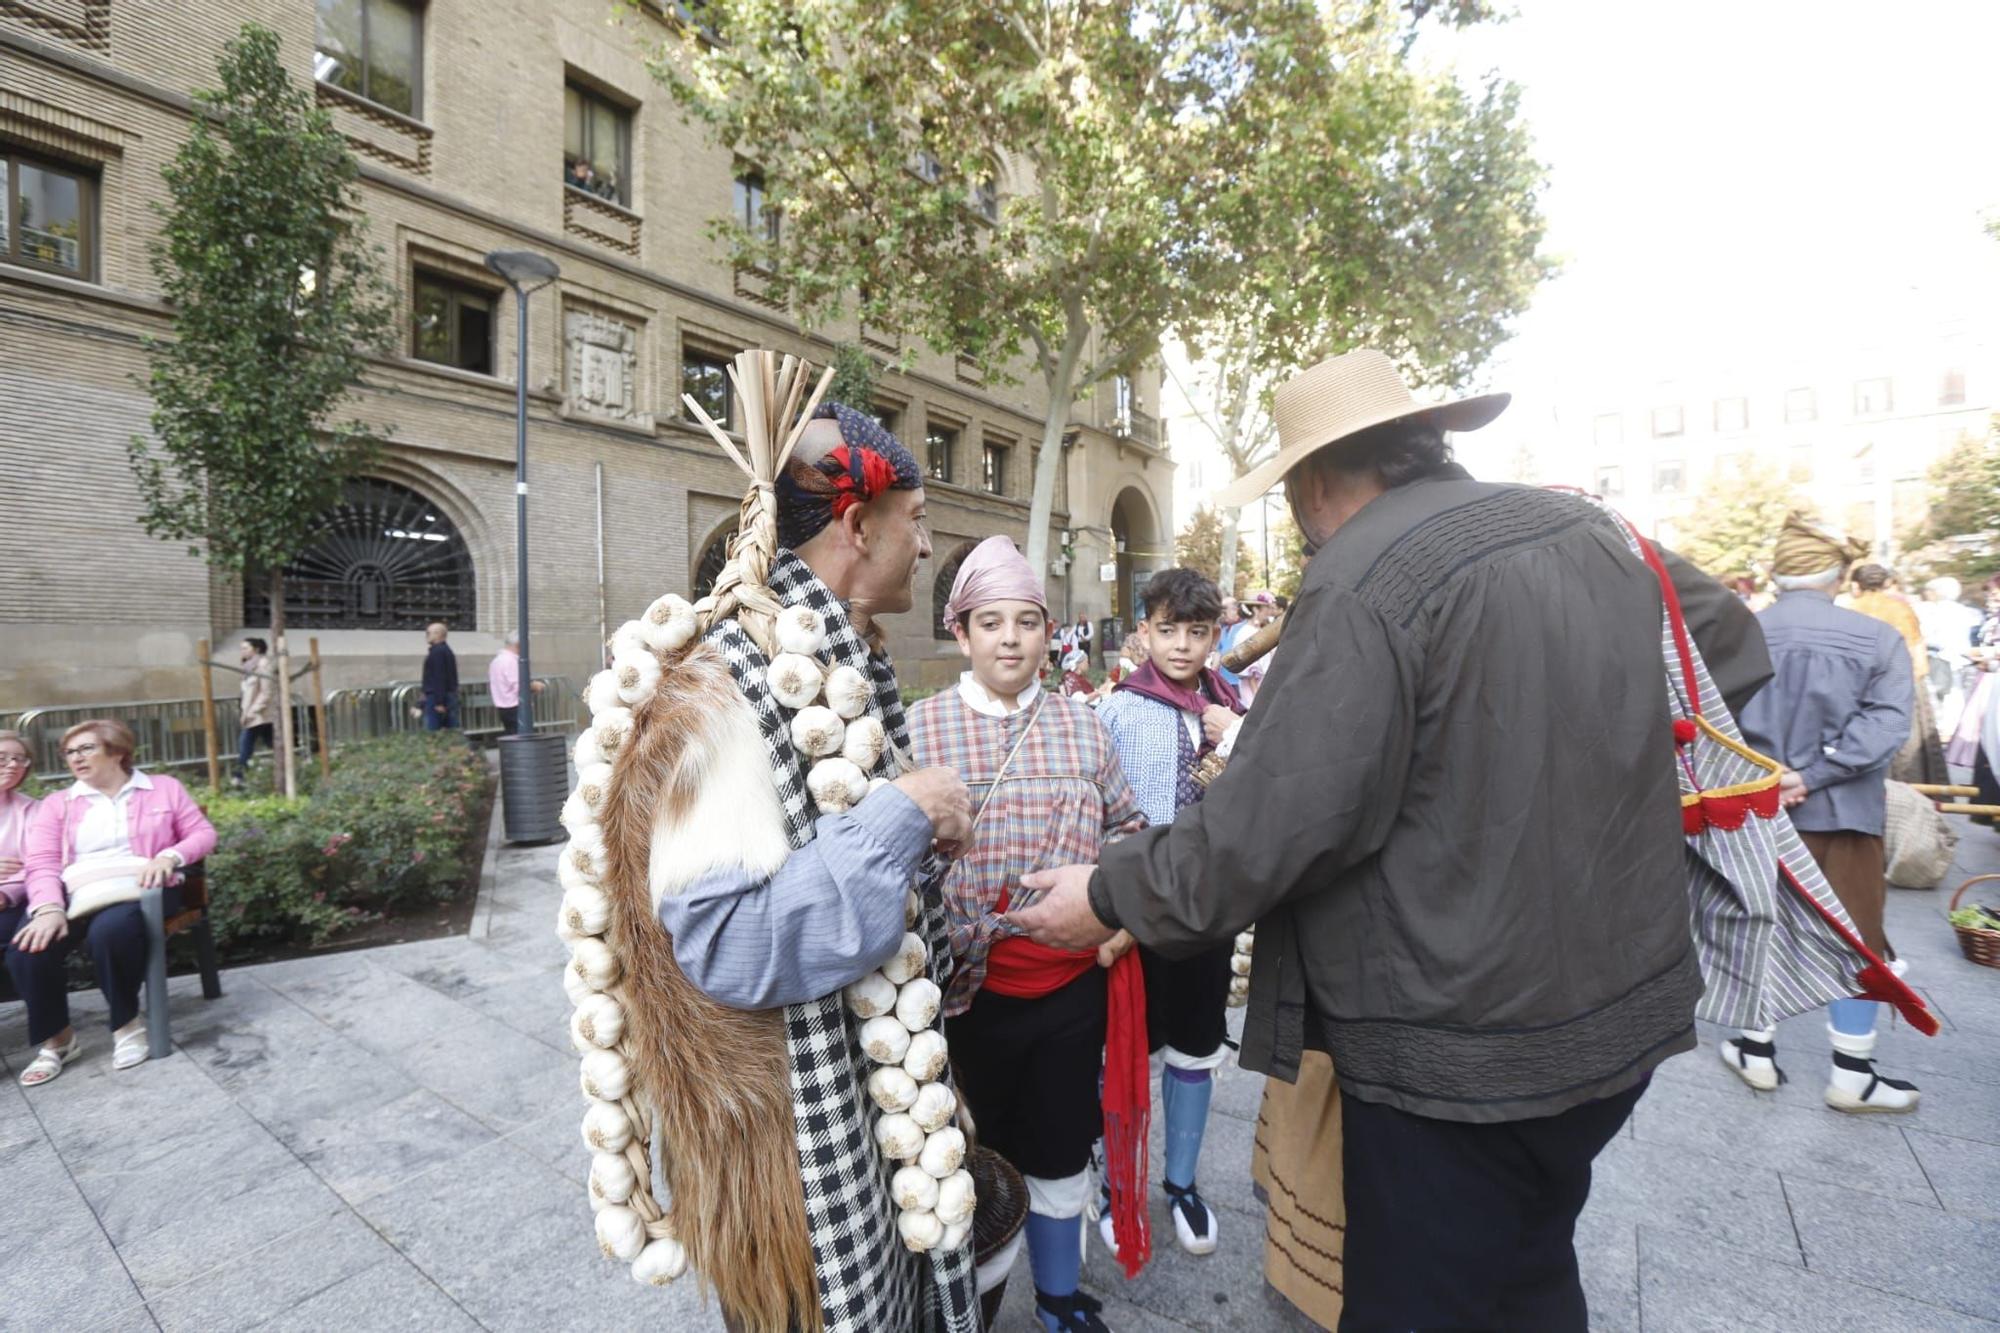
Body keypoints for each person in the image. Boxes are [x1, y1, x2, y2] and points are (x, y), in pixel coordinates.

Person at [1008, 349, 1788, 1331]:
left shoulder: (1363, 575)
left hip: (1459, 1043)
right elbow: (1721, 642)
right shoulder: (1587, 527)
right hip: (1616, 1013)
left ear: (1316, 481)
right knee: (1529, 1271)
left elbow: (1269, 825)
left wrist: (1110, 892)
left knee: (1423, 1295)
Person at [577, 391, 980, 1332]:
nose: (925, 547)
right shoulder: (722, 691)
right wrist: (898, 818)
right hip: (790, 1168)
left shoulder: (826, 662)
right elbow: (727, 945)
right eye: (915, 522)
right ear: (856, 525)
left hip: (835, 1126)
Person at [909, 537, 1149, 1333]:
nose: (1009, 638)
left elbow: (1131, 828)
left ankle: (1056, 1297)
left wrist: (1116, 917)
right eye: (989, 621)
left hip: (1068, 992)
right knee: (968, 1162)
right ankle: (968, 1311)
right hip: (962, 1002)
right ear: (960, 631)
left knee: (1057, 1148)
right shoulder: (920, 731)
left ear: (1052, 634)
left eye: (1026, 621)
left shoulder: (1085, 729)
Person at [1728, 517, 1920, 1112]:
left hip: (1752, 811)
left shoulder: (1737, 635)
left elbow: (1707, 724)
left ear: (1776, 575)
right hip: (1843, 812)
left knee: (1760, 925)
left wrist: (1774, 777)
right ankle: (1852, 1073)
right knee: (1857, 938)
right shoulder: (1875, 637)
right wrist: (1812, 775)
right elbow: (1886, 727)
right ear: (1837, 574)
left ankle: (1755, 1051)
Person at [1090, 566, 1245, 1259]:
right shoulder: (1117, 710)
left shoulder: (1233, 703)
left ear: (1216, 634)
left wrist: (1236, 734)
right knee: (1122, 1050)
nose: (1182, 645)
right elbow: (1094, 806)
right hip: (1136, 916)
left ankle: (1180, 1183)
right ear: (1144, 631)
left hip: (1207, 913)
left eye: (1198, 630)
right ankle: (1113, 1182)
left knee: (1197, 1045)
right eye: (1168, 629)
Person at [10, 720, 216, 1082]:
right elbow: (40, 863)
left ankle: (126, 1025)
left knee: (112, 932)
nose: (75, 757)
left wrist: (169, 857)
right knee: (28, 947)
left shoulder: (162, 789)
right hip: (77, 892)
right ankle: (58, 1040)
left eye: (86, 748)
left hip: (144, 886)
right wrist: (48, 909)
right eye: (70, 752)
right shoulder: (58, 804)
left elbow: (202, 833)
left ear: (118, 751)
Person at [1848, 564, 1944, 784]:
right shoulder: (1901, 609)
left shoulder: (1849, 609)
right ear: (1887, 583)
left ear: (1856, 585)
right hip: (1902, 680)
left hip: (1860, 684)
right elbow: (1918, 653)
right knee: (1908, 748)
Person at [233, 637, 276, 788]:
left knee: (245, 744)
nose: (242, 651)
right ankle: (295, 766)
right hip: (254, 714)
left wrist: (251, 712)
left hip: (259, 714)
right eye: (241, 648)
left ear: (256, 649)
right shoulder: (248, 666)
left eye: (245, 648)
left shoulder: (263, 665)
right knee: (273, 743)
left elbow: (266, 692)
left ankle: (239, 777)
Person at [487, 631, 545, 736]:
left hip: (503, 706)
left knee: (512, 736)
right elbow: (519, 686)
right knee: (521, 738)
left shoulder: (496, 661)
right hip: (515, 706)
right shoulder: (511, 661)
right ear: (520, 645)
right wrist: (535, 686)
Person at [421, 622, 459, 731]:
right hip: (444, 695)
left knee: (434, 731)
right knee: (450, 730)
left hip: (437, 697)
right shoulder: (444, 651)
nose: (427, 636)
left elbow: (439, 677)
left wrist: (439, 702)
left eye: (429, 633)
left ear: (438, 634)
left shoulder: (438, 652)